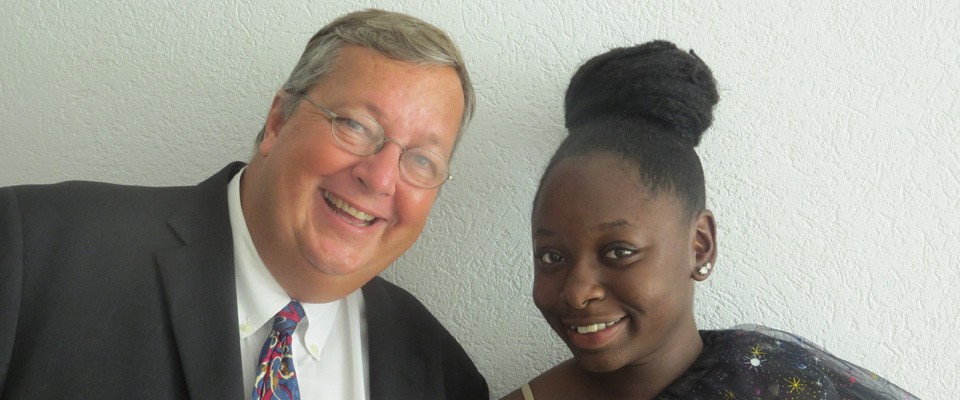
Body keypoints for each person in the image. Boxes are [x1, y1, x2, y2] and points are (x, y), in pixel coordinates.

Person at [0, 9, 488, 399]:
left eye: (422, 161)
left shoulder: (446, 377)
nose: (380, 178)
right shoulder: (38, 249)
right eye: (356, 126)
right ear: (278, 120)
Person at [503, 41, 916, 399]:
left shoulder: (777, 385)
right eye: (552, 257)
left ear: (700, 244)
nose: (577, 293)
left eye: (619, 251)